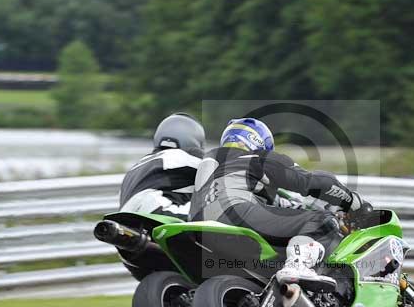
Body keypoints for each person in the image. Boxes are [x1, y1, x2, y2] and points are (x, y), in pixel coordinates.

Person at [189, 117, 371, 282]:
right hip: (234, 216)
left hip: (197, 228)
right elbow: (314, 182)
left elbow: (280, 204)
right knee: (321, 220)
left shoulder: (213, 163)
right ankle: (297, 265)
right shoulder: (257, 157)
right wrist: (353, 203)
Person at [118, 112, 205, 277]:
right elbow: (220, 171)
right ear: (193, 140)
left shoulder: (138, 165)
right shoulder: (182, 156)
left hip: (128, 237)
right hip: (156, 216)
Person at [119, 112, 206, 218]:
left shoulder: (140, 164)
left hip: (124, 217)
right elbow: (216, 170)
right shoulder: (184, 156)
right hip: (154, 210)